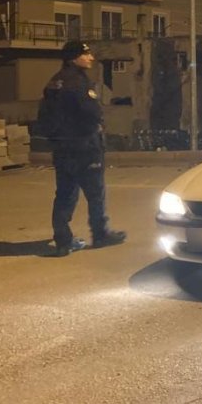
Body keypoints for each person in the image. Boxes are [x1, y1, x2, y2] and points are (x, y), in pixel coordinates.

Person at [38, 41, 126, 257]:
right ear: (73, 58)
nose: (91, 58)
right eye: (85, 55)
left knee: (65, 194)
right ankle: (100, 234)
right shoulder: (78, 81)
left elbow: (44, 115)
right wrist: (97, 125)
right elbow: (92, 112)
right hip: (84, 146)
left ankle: (62, 241)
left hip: (62, 147)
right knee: (95, 193)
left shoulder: (54, 81)